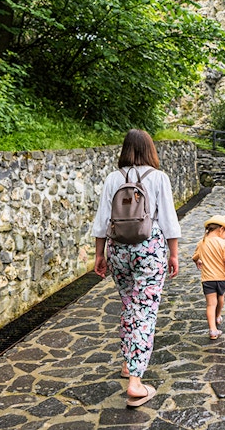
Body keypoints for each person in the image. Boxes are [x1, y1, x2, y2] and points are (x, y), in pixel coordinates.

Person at [92, 129, 181, 408]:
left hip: (117, 249)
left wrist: (99, 254)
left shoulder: (113, 178)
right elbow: (168, 219)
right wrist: (173, 254)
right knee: (145, 309)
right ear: (150, 149)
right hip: (149, 249)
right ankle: (135, 382)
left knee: (129, 303)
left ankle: (128, 363)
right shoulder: (158, 178)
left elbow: (102, 221)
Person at [192, 215, 225, 340]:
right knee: (220, 298)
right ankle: (218, 316)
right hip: (222, 278)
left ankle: (212, 330)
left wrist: (197, 262)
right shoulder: (223, 243)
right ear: (221, 229)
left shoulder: (202, 242)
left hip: (207, 279)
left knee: (210, 304)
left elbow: (195, 257)